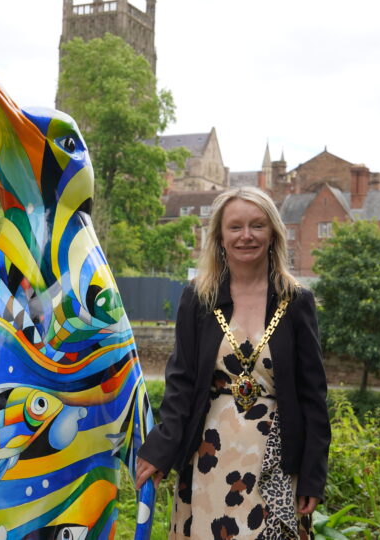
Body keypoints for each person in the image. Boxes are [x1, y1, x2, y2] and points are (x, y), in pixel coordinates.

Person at [136, 186, 330, 539]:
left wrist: (313, 475)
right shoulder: (199, 296)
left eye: (257, 225)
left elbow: (314, 396)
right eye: (235, 227)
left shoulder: (296, 300)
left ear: (272, 232)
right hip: (209, 455)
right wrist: (162, 448)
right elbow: (181, 382)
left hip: (274, 459)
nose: (246, 236)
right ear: (220, 237)